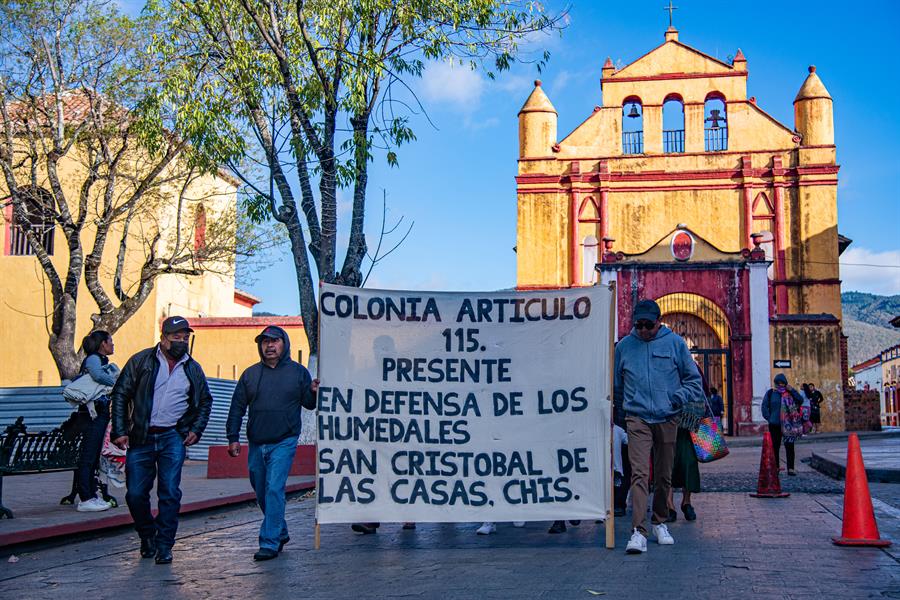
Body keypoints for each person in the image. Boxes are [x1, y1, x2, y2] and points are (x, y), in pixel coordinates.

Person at [111, 316, 213, 565]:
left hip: (172, 437)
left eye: (185, 337)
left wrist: (196, 430)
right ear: (163, 337)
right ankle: (147, 535)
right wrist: (120, 430)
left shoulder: (192, 368)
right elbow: (121, 393)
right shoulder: (141, 361)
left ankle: (165, 544)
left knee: (169, 492)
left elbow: (205, 401)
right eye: (176, 337)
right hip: (142, 436)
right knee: (135, 494)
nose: (181, 341)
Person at [614, 299, 703, 554]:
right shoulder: (625, 346)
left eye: (648, 326)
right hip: (638, 418)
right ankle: (638, 531)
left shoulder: (675, 344)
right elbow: (616, 384)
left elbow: (693, 381)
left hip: (667, 417)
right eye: (638, 325)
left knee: (664, 476)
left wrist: (677, 397)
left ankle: (659, 521)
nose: (643, 330)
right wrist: (625, 411)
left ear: (658, 322)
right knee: (640, 474)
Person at [226, 326, 318, 561]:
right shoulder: (250, 374)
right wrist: (233, 437)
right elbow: (237, 407)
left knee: (274, 488)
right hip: (257, 442)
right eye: (265, 341)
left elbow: (309, 404)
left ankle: (269, 542)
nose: (269, 345)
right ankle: (280, 530)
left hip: (284, 440)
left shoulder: (298, 372)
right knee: (260, 491)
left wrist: (314, 391)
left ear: (283, 344)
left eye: (274, 341)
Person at [73, 330, 119, 512]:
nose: (113, 345)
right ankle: (86, 498)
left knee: (93, 458)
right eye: (111, 341)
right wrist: (116, 382)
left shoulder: (100, 360)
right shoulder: (93, 359)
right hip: (92, 416)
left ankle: (92, 495)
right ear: (103, 344)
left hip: (98, 415)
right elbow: (98, 376)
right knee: (88, 457)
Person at [761, 374, 804, 476]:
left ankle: (791, 468)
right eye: (779, 383)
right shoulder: (771, 393)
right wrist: (769, 418)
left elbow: (800, 400)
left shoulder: (789, 392)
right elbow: (764, 406)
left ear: (785, 383)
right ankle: (776, 467)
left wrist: (792, 390)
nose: (781, 385)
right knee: (775, 446)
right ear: (775, 383)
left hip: (789, 424)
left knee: (790, 446)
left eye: (783, 383)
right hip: (775, 424)